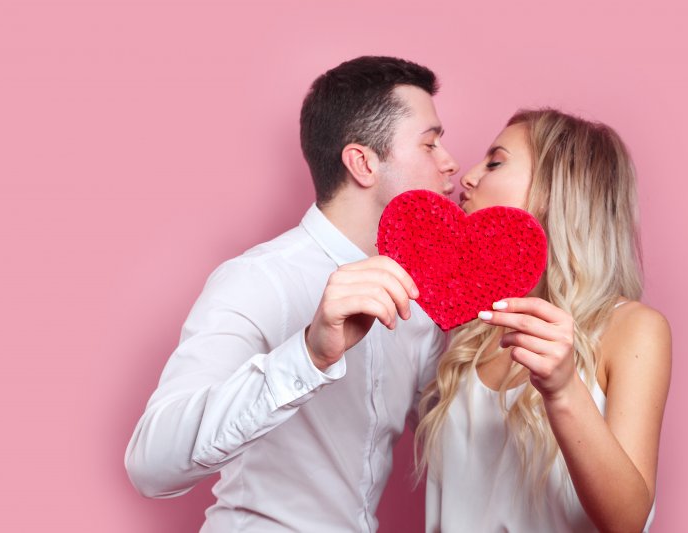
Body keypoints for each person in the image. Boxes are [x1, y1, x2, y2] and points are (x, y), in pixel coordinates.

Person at [125, 55, 459, 532]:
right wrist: (307, 355)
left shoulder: (418, 300)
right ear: (363, 162)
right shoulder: (257, 280)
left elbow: (454, 440)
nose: (450, 163)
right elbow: (150, 465)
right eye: (430, 144)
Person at [414, 109, 672, 532]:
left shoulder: (633, 329)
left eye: (495, 162)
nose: (469, 177)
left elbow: (627, 521)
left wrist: (563, 388)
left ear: (557, 189)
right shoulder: (471, 330)